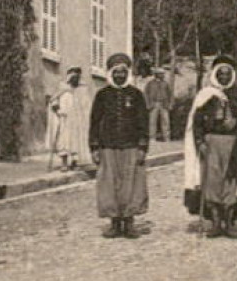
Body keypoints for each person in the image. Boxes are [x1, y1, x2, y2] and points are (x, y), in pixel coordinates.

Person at [182, 55, 237, 239]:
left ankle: (229, 224)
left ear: (233, 75)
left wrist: (236, 123)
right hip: (212, 144)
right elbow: (196, 123)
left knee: (231, 185)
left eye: (228, 74)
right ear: (215, 75)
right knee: (212, 184)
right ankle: (215, 223)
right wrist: (200, 143)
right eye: (221, 74)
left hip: (233, 146)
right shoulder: (206, 95)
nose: (224, 77)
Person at [90, 53, 149, 239]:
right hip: (108, 146)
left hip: (131, 146)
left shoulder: (136, 95)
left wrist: (142, 147)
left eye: (123, 72)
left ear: (128, 74)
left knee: (131, 184)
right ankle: (115, 223)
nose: (120, 76)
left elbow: (143, 123)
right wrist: (94, 147)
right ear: (110, 74)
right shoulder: (102, 96)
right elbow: (94, 122)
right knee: (109, 184)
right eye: (116, 72)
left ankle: (129, 222)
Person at [49, 67, 94, 171]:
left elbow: (87, 104)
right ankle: (64, 163)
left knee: (77, 141)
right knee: (64, 141)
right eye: (73, 76)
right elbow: (53, 100)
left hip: (78, 120)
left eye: (77, 76)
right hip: (65, 119)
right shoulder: (62, 87)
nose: (75, 79)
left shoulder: (82, 88)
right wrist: (57, 109)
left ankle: (75, 161)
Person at [139, 58, 173, 142]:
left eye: (163, 74)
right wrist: (148, 104)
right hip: (153, 104)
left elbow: (170, 95)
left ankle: (166, 137)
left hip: (164, 104)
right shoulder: (150, 84)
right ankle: (152, 138)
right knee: (152, 122)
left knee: (165, 121)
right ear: (156, 74)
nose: (163, 75)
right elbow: (146, 94)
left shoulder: (166, 84)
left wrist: (170, 104)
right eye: (160, 74)